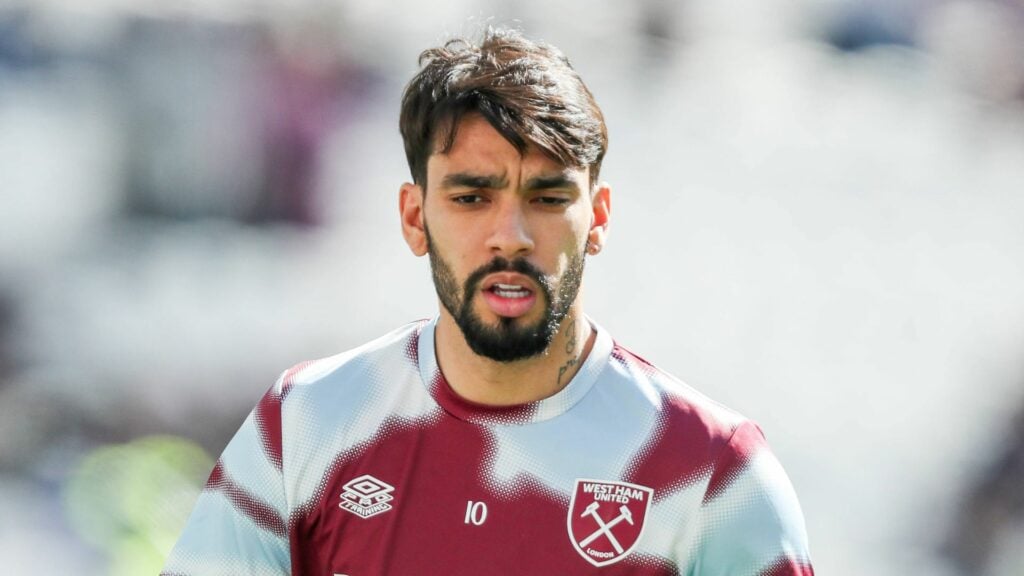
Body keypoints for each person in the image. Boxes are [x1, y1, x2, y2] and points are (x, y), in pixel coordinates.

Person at [162, 27, 814, 576]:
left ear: (600, 217)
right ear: (415, 219)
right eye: (472, 198)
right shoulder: (303, 424)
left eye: (548, 197)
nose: (512, 236)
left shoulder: (713, 473)